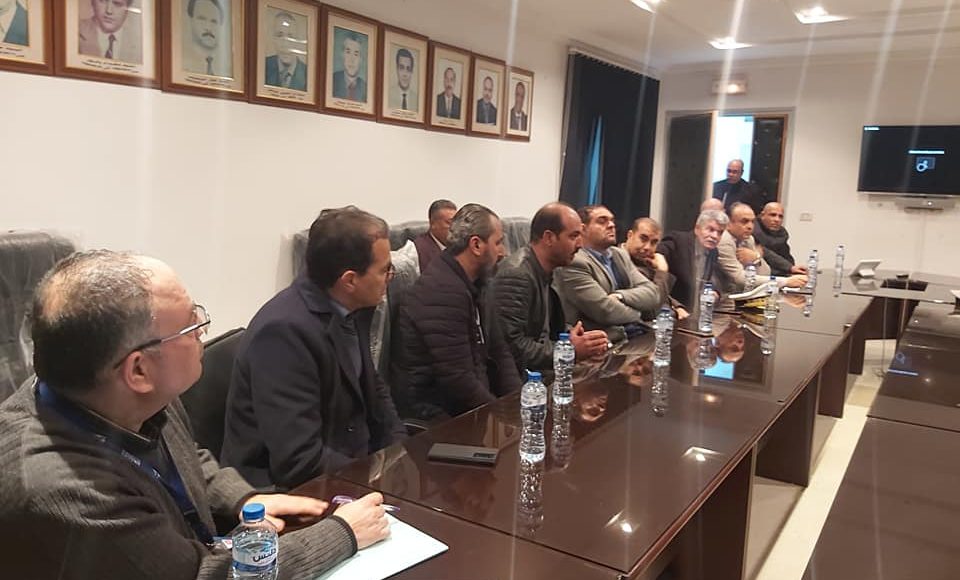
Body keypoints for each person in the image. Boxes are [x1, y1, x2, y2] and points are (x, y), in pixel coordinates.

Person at [0, 250, 391, 579]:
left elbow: (184, 456)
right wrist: (342, 533)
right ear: (139, 370)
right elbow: (199, 576)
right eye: (190, 324)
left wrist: (242, 500)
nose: (203, 330)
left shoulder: (113, 389)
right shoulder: (66, 491)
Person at [222, 207, 406, 490]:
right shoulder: (283, 333)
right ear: (350, 280)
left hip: (349, 470)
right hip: (286, 492)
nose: (390, 277)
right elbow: (299, 460)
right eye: (384, 271)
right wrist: (371, 480)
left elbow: (374, 390)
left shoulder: (353, 306)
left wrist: (399, 454)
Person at [396, 204, 521, 421]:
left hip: (469, 404)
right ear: (476, 245)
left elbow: (500, 351)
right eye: (498, 243)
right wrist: (502, 417)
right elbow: (457, 379)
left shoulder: (477, 283)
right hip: (437, 414)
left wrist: (518, 403)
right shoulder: (440, 291)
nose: (503, 252)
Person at [493, 202, 609, 375]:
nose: (580, 245)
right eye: (573, 236)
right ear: (549, 238)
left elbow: (547, 329)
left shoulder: (551, 269)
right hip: (523, 381)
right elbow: (511, 347)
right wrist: (569, 351)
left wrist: (573, 337)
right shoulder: (516, 275)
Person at [554, 205, 662, 343]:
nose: (611, 225)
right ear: (583, 229)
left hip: (629, 337)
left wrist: (620, 296)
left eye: (612, 220)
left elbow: (653, 293)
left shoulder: (619, 254)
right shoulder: (574, 261)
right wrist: (640, 315)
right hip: (596, 343)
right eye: (602, 221)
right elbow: (604, 310)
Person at [717, 202, 807, 297]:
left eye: (752, 221)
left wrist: (756, 257)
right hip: (724, 296)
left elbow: (766, 272)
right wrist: (786, 281)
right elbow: (740, 278)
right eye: (744, 221)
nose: (750, 226)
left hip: (743, 293)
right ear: (728, 223)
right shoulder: (724, 240)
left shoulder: (748, 239)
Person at [657, 209, 734, 311]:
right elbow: (658, 252)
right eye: (710, 230)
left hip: (695, 312)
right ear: (697, 229)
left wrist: (716, 293)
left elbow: (718, 279)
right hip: (670, 310)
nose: (715, 236)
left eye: (720, 232)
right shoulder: (678, 241)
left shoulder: (713, 252)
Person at [621, 217, 690, 320]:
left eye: (653, 242)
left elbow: (656, 288)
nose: (647, 247)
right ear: (630, 235)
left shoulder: (644, 260)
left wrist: (677, 306)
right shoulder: (618, 261)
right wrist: (662, 272)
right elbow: (653, 307)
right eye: (643, 239)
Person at [753, 202, 807, 277]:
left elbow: (787, 256)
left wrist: (794, 270)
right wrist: (789, 267)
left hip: (778, 274)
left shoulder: (782, 233)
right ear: (762, 215)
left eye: (780, 216)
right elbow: (765, 252)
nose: (777, 219)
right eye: (773, 215)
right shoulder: (753, 229)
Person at [183, 0, 230, 77]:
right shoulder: (182, 64)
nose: (208, 28)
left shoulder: (227, 69)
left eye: (214, 21)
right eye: (202, 19)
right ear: (190, 20)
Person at [264, 10, 307, 91]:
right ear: (273, 39)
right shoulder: (263, 66)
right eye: (279, 36)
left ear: (298, 41)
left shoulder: (308, 74)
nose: (285, 44)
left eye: (291, 37)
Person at [413, 199, 456, 273]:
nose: (455, 227)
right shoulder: (418, 250)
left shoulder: (459, 245)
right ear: (432, 223)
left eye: (456, 222)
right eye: (449, 222)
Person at [332, 31, 366, 102]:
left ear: (361, 59)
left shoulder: (366, 88)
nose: (351, 59)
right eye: (348, 52)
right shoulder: (332, 81)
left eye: (356, 54)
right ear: (342, 55)